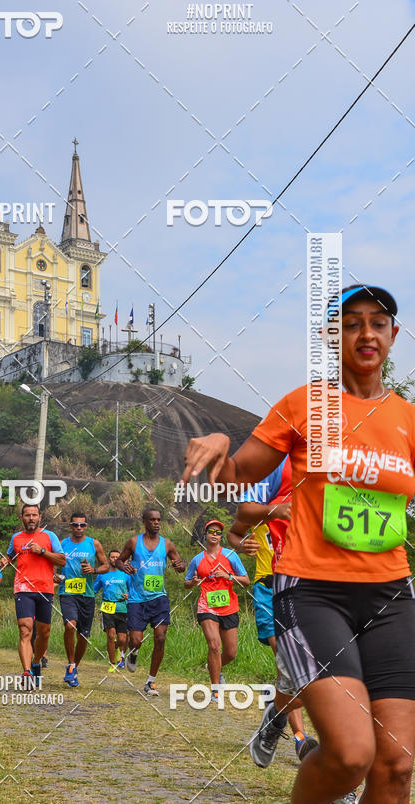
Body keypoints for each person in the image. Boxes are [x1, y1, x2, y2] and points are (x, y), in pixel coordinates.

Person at [182, 284, 415, 804]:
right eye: (350, 323)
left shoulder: (408, 420)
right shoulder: (303, 404)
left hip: (392, 596)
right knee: (352, 754)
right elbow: (232, 481)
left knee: (396, 764)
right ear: (333, 337)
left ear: (393, 335)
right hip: (312, 592)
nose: (365, 333)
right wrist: (219, 444)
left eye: (377, 322)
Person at [227, 458, 318, 761]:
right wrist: (242, 547)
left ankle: (276, 714)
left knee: (311, 671)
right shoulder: (271, 492)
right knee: (291, 665)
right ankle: (299, 737)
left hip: (314, 588)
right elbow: (235, 530)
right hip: (270, 589)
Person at [117, 507, 186, 696]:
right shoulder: (133, 542)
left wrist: (181, 565)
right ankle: (133, 652)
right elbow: (119, 561)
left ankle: (150, 682)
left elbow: (179, 565)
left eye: (159, 520)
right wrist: (125, 567)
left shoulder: (167, 544)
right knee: (136, 640)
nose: (156, 523)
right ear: (144, 522)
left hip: (159, 598)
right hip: (137, 599)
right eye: (152, 520)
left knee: (161, 637)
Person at [0, 503, 65, 683]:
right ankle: (27, 672)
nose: (31, 519)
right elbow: (10, 556)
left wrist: (42, 551)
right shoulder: (16, 538)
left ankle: (36, 662)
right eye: (27, 515)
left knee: (44, 633)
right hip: (23, 589)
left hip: (45, 589)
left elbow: (62, 560)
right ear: (22, 518)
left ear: (40, 517)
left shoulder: (49, 536)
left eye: (34, 515)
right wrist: (5, 561)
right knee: (25, 630)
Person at [184, 518, 249, 701]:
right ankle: (215, 690)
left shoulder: (230, 556)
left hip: (229, 607)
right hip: (207, 606)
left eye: (218, 532)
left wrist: (229, 576)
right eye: (211, 531)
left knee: (230, 653)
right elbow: (187, 583)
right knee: (214, 645)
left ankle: (214, 666)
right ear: (205, 535)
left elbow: (245, 581)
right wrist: (193, 582)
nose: (214, 535)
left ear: (221, 536)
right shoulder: (197, 559)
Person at [58, 512, 108, 687]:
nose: (79, 528)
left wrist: (94, 570)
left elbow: (106, 565)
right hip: (67, 592)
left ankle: (74, 668)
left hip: (86, 594)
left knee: (83, 636)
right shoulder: (62, 544)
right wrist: (54, 576)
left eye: (82, 525)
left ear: (86, 526)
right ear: (70, 526)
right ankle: (71, 664)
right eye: (75, 525)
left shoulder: (93, 544)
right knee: (70, 625)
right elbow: (52, 562)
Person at [93, 549, 130, 671]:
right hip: (107, 607)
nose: (114, 559)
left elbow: (133, 591)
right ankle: (112, 663)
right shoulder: (103, 574)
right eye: (112, 557)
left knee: (122, 639)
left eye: (117, 557)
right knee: (110, 635)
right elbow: (93, 590)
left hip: (122, 608)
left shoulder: (125, 574)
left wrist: (129, 595)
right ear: (109, 559)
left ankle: (120, 655)